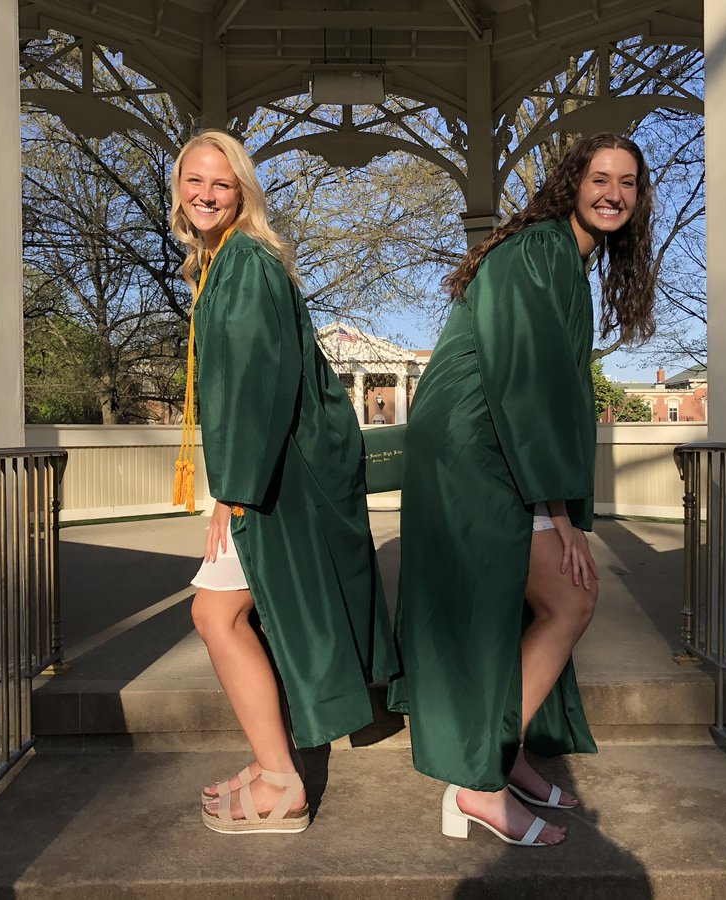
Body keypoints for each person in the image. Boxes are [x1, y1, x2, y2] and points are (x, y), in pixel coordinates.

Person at [388, 133, 656, 847]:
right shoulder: (542, 251)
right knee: (571, 596)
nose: (613, 193)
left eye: (627, 183)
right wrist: (557, 509)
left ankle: (503, 760)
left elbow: (555, 386)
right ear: (573, 183)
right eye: (600, 177)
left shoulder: (565, 257)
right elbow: (527, 382)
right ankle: (478, 783)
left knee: (536, 603)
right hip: (477, 445)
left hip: (485, 439)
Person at [170, 130, 397, 835]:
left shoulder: (242, 263)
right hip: (278, 465)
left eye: (222, 184)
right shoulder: (226, 263)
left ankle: (280, 781)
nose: (206, 194)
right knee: (240, 613)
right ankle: (276, 764)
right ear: (178, 188)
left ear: (242, 193)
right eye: (194, 181)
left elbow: (258, 385)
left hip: (274, 472)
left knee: (216, 615)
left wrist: (232, 491)